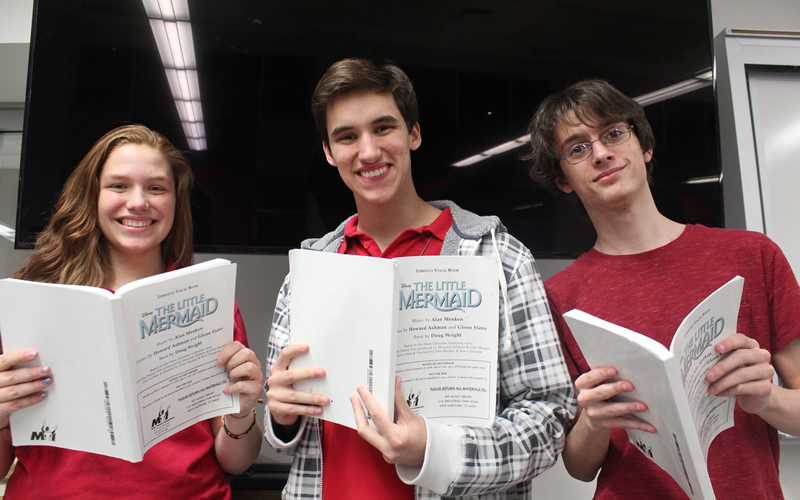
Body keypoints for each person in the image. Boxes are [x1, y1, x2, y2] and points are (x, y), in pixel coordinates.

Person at [264, 58, 576, 499]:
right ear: (330, 152)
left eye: (383, 128)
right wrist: (281, 415)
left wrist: (435, 450)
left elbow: (550, 417)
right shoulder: (310, 271)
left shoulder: (496, 257)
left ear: (413, 133)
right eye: (347, 137)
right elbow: (282, 432)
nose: (368, 151)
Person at [525, 78, 800, 498]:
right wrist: (595, 422)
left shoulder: (752, 255)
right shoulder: (560, 297)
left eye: (614, 133)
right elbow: (579, 467)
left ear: (645, 145)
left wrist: (766, 399)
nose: (601, 153)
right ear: (563, 179)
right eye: (577, 149)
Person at [0, 124, 264, 499]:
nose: (138, 202)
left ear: (175, 201)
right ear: (92, 195)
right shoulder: (30, 301)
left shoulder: (211, 302)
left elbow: (236, 462)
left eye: (156, 187)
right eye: (119, 186)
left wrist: (242, 412)